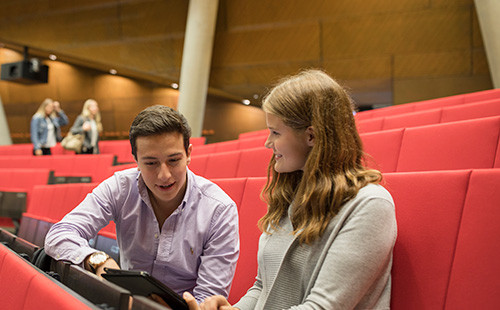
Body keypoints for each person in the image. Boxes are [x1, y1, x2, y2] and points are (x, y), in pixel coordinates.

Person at [183, 69, 397, 310]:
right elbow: (263, 287)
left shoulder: (371, 205)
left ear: (311, 136)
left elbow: (323, 307)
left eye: (275, 132)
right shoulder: (294, 195)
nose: (267, 142)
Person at [45, 105, 240, 303]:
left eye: (173, 160)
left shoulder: (219, 210)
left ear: (188, 153)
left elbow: (209, 298)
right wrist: (97, 260)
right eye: (151, 163)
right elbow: (60, 233)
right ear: (135, 160)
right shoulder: (120, 187)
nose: (164, 175)